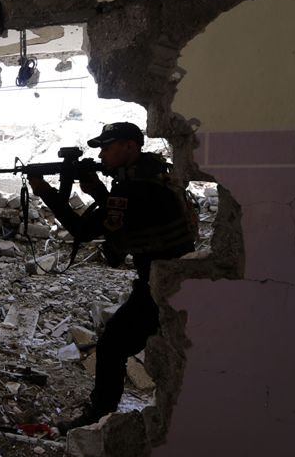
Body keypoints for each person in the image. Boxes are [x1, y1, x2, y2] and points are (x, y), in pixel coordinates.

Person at [27, 121, 196, 431]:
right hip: (172, 278)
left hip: (161, 286)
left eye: (108, 147)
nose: (102, 154)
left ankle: (100, 417)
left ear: (130, 147)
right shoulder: (152, 172)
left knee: (112, 345)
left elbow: (83, 230)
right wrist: (100, 192)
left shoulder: (135, 187)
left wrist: (45, 192)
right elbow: (131, 220)